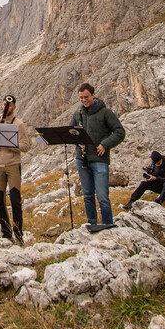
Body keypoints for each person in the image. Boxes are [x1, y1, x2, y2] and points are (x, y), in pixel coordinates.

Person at [72, 83, 125, 227]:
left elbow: (120, 132)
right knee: (87, 195)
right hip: (82, 159)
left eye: (86, 97)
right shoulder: (78, 113)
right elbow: (72, 131)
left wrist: (105, 145)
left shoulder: (105, 113)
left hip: (99, 159)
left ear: (93, 95)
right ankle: (92, 224)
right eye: (81, 98)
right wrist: (77, 141)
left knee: (102, 196)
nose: (84, 100)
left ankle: (108, 225)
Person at [0, 94, 32, 243]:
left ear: (14, 107)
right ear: (1, 105)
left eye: (9, 105)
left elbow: (26, 145)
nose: (7, 107)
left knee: (15, 199)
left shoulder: (18, 124)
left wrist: (11, 144)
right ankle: (6, 232)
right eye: (5, 104)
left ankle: (18, 233)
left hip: (13, 164)